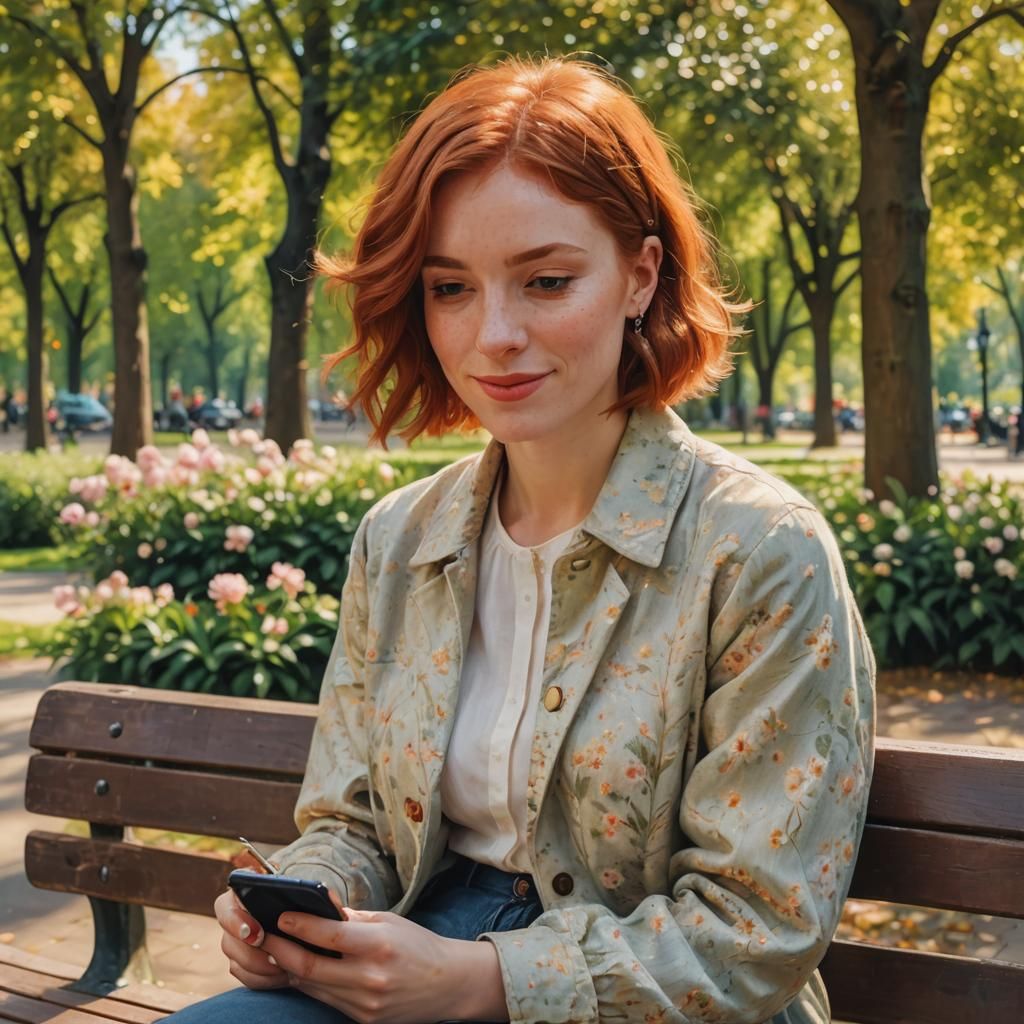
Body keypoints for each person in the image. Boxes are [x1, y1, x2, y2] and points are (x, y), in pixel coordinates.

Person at [168, 56, 874, 1024]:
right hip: (409, 961)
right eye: (449, 287)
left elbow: (757, 925)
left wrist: (486, 980)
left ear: (640, 273)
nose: (492, 334)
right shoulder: (402, 538)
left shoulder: (757, 549)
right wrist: (301, 903)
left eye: (545, 280)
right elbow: (354, 820)